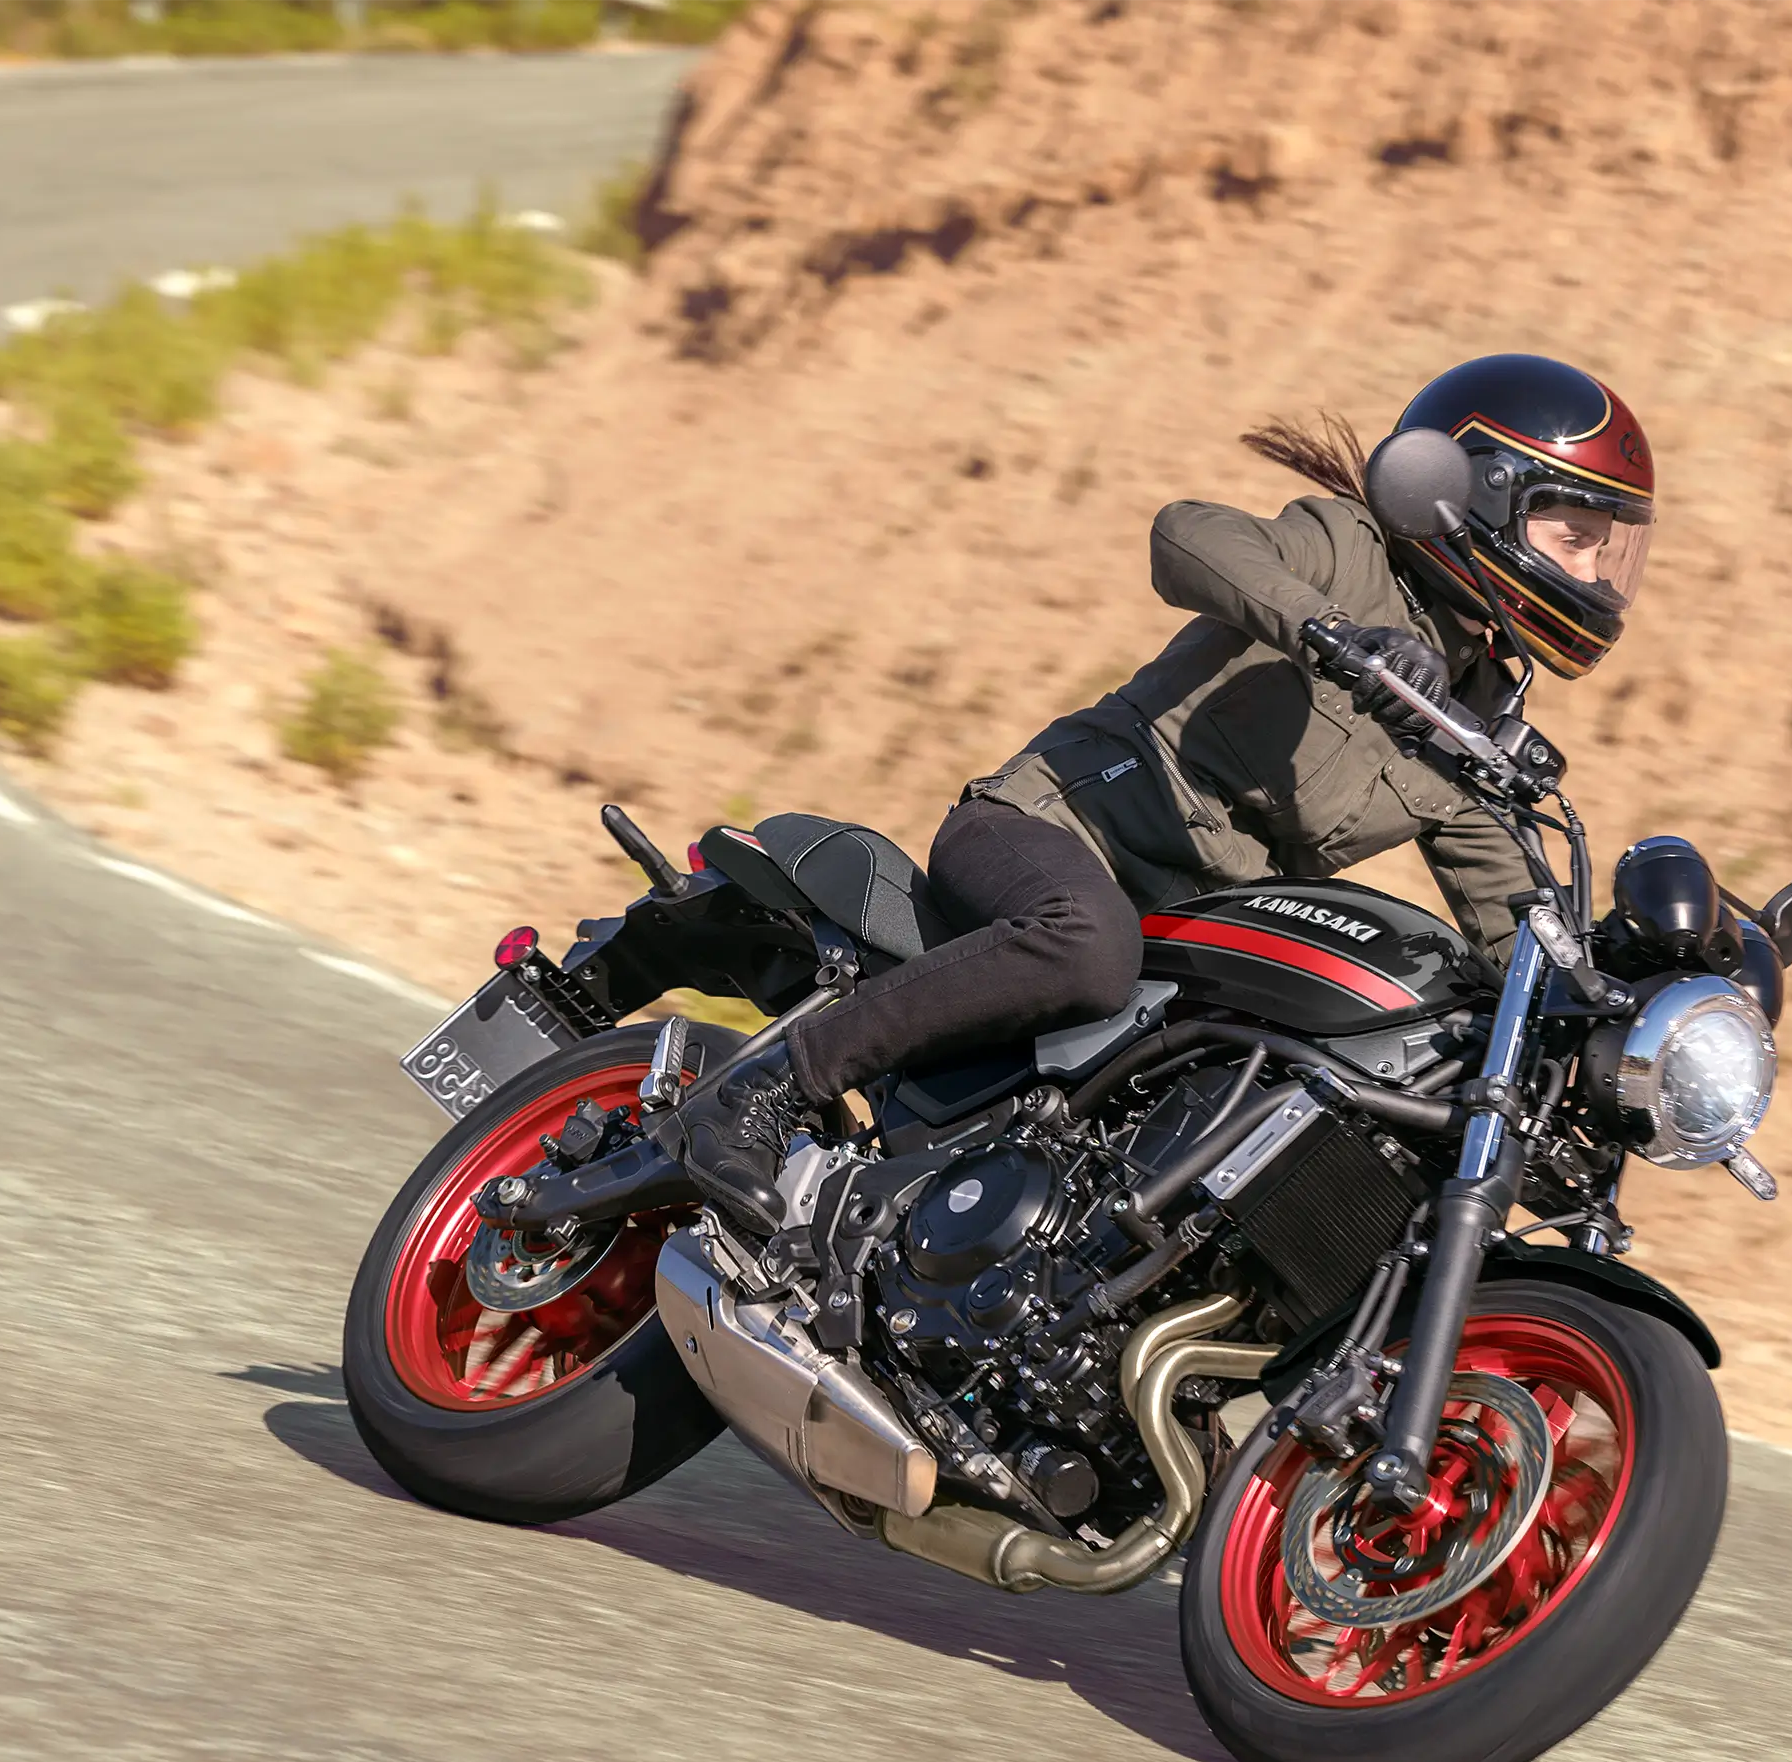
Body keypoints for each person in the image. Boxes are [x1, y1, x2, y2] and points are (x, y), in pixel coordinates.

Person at [675, 353, 1659, 1218]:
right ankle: (765, 1089)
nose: (1597, 571)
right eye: (1575, 535)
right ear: (1475, 492)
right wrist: (1336, 636)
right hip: (1051, 829)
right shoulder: (1347, 552)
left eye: (1610, 548)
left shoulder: (1468, 727)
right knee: (1086, 944)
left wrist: (1635, 986)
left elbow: (1517, 932)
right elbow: (1187, 535)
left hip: (1180, 953)